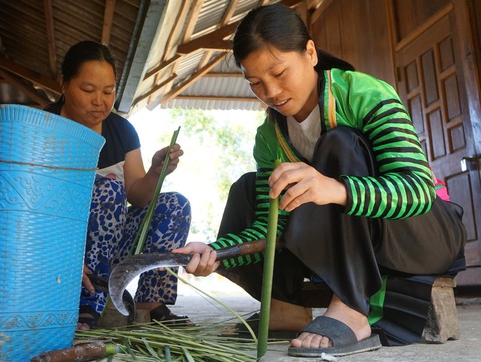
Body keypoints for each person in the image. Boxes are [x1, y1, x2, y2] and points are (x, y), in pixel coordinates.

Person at [174, 3, 466, 358]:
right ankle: (284, 306)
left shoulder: (363, 94)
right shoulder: (270, 137)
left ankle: (351, 308)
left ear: (309, 53)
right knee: (249, 189)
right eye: (256, 83)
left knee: (339, 143)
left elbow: (417, 190)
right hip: (356, 245)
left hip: (422, 234)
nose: (270, 92)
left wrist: (336, 189)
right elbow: (275, 227)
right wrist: (218, 253)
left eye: (280, 73)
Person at [44, 41, 192, 330]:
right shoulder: (43, 127)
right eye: (88, 90)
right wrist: (65, 256)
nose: (99, 100)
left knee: (175, 204)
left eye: (108, 91)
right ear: (63, 84)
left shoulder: (122, 131)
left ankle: (151, 305)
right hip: (57, 251)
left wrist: (155, 172)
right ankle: (88, 302)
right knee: (108, 189)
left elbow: (137, 198)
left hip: (111, 249)